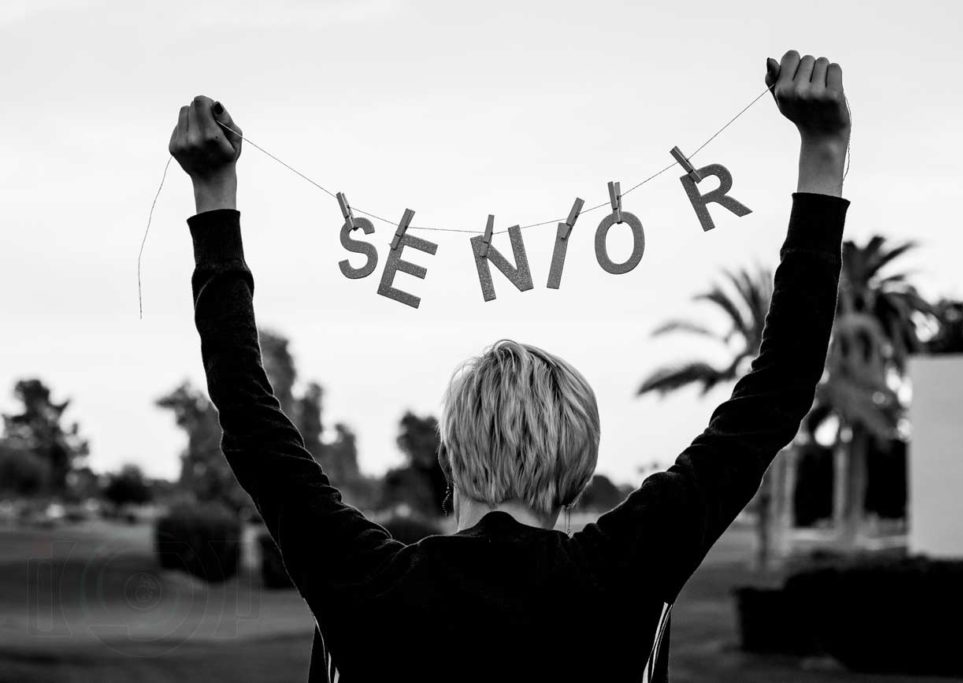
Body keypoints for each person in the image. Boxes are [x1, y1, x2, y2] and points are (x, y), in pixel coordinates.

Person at [168, 49, 851, 683]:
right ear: (579, 472)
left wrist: (214, 191)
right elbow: (777, 391)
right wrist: (822, 152)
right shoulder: (619, 572)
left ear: (451, 453)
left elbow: (247, 413)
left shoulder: (364, 578)